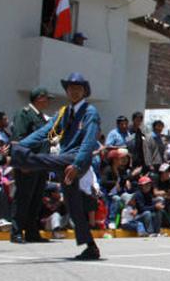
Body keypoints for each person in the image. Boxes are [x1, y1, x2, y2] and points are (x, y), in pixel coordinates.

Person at [11, 72, 102, 260]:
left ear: (84, 91)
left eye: (78, 88)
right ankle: (91, 247)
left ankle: (20, 160)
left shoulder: (90, 112)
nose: (74, 91)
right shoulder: (64, 112)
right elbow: (46, 132)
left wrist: (77, 165)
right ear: (67, 91)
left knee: (40, 160)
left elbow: (89, 141)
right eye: (70, 88)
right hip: (64, 160)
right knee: (73, 205)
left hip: (77, 159)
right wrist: (22, 145)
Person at [10, 87, 53, 243]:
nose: (48, 102)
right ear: (39, 98)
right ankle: (16, 232)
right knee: (23, 198)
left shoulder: (41, 117)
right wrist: (22, 163)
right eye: (47, 98)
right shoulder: (24, 114)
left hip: (40, 164)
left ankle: (31, 232)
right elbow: (18, 139)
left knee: (36, 199)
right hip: (28, 164)